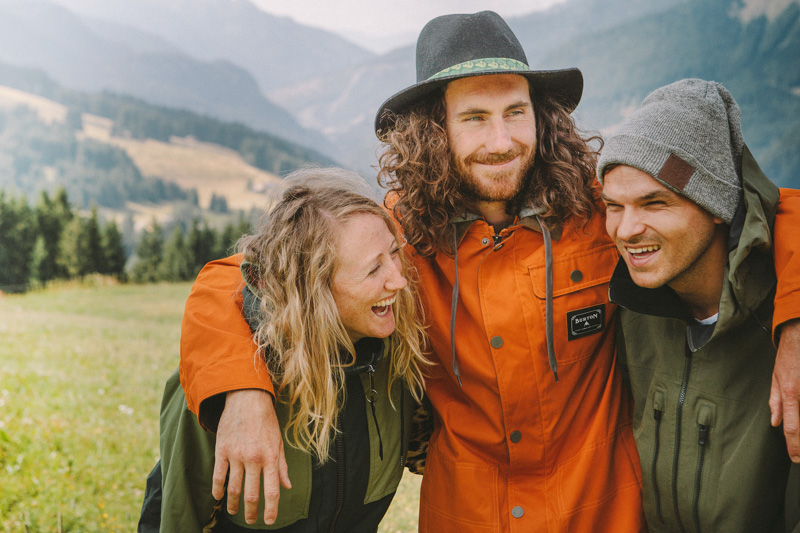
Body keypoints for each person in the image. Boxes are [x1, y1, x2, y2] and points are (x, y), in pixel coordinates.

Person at [175, 11, 800, 532]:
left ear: (541, 116)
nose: (501, 140)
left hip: (603, 515)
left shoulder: (601, 211)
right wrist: (243, 394)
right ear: (434, 130)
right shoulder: (398, 233)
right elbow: (232, 278)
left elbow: (774, 212)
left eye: (516, 112)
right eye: (475, 117)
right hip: (466, 516)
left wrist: (794, 322)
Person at [138, 167, 429, 531]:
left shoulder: (400, 358)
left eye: (394, 253)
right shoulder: (220, 388)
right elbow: (177, 517)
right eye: (373, 271)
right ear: (313, 287)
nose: (399, 280)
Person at [597, 79, 800, 532]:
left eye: (655, 203)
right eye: (614, 206)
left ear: (716, 206)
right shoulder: (630, 310)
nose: (626, 230)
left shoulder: (783, 327)